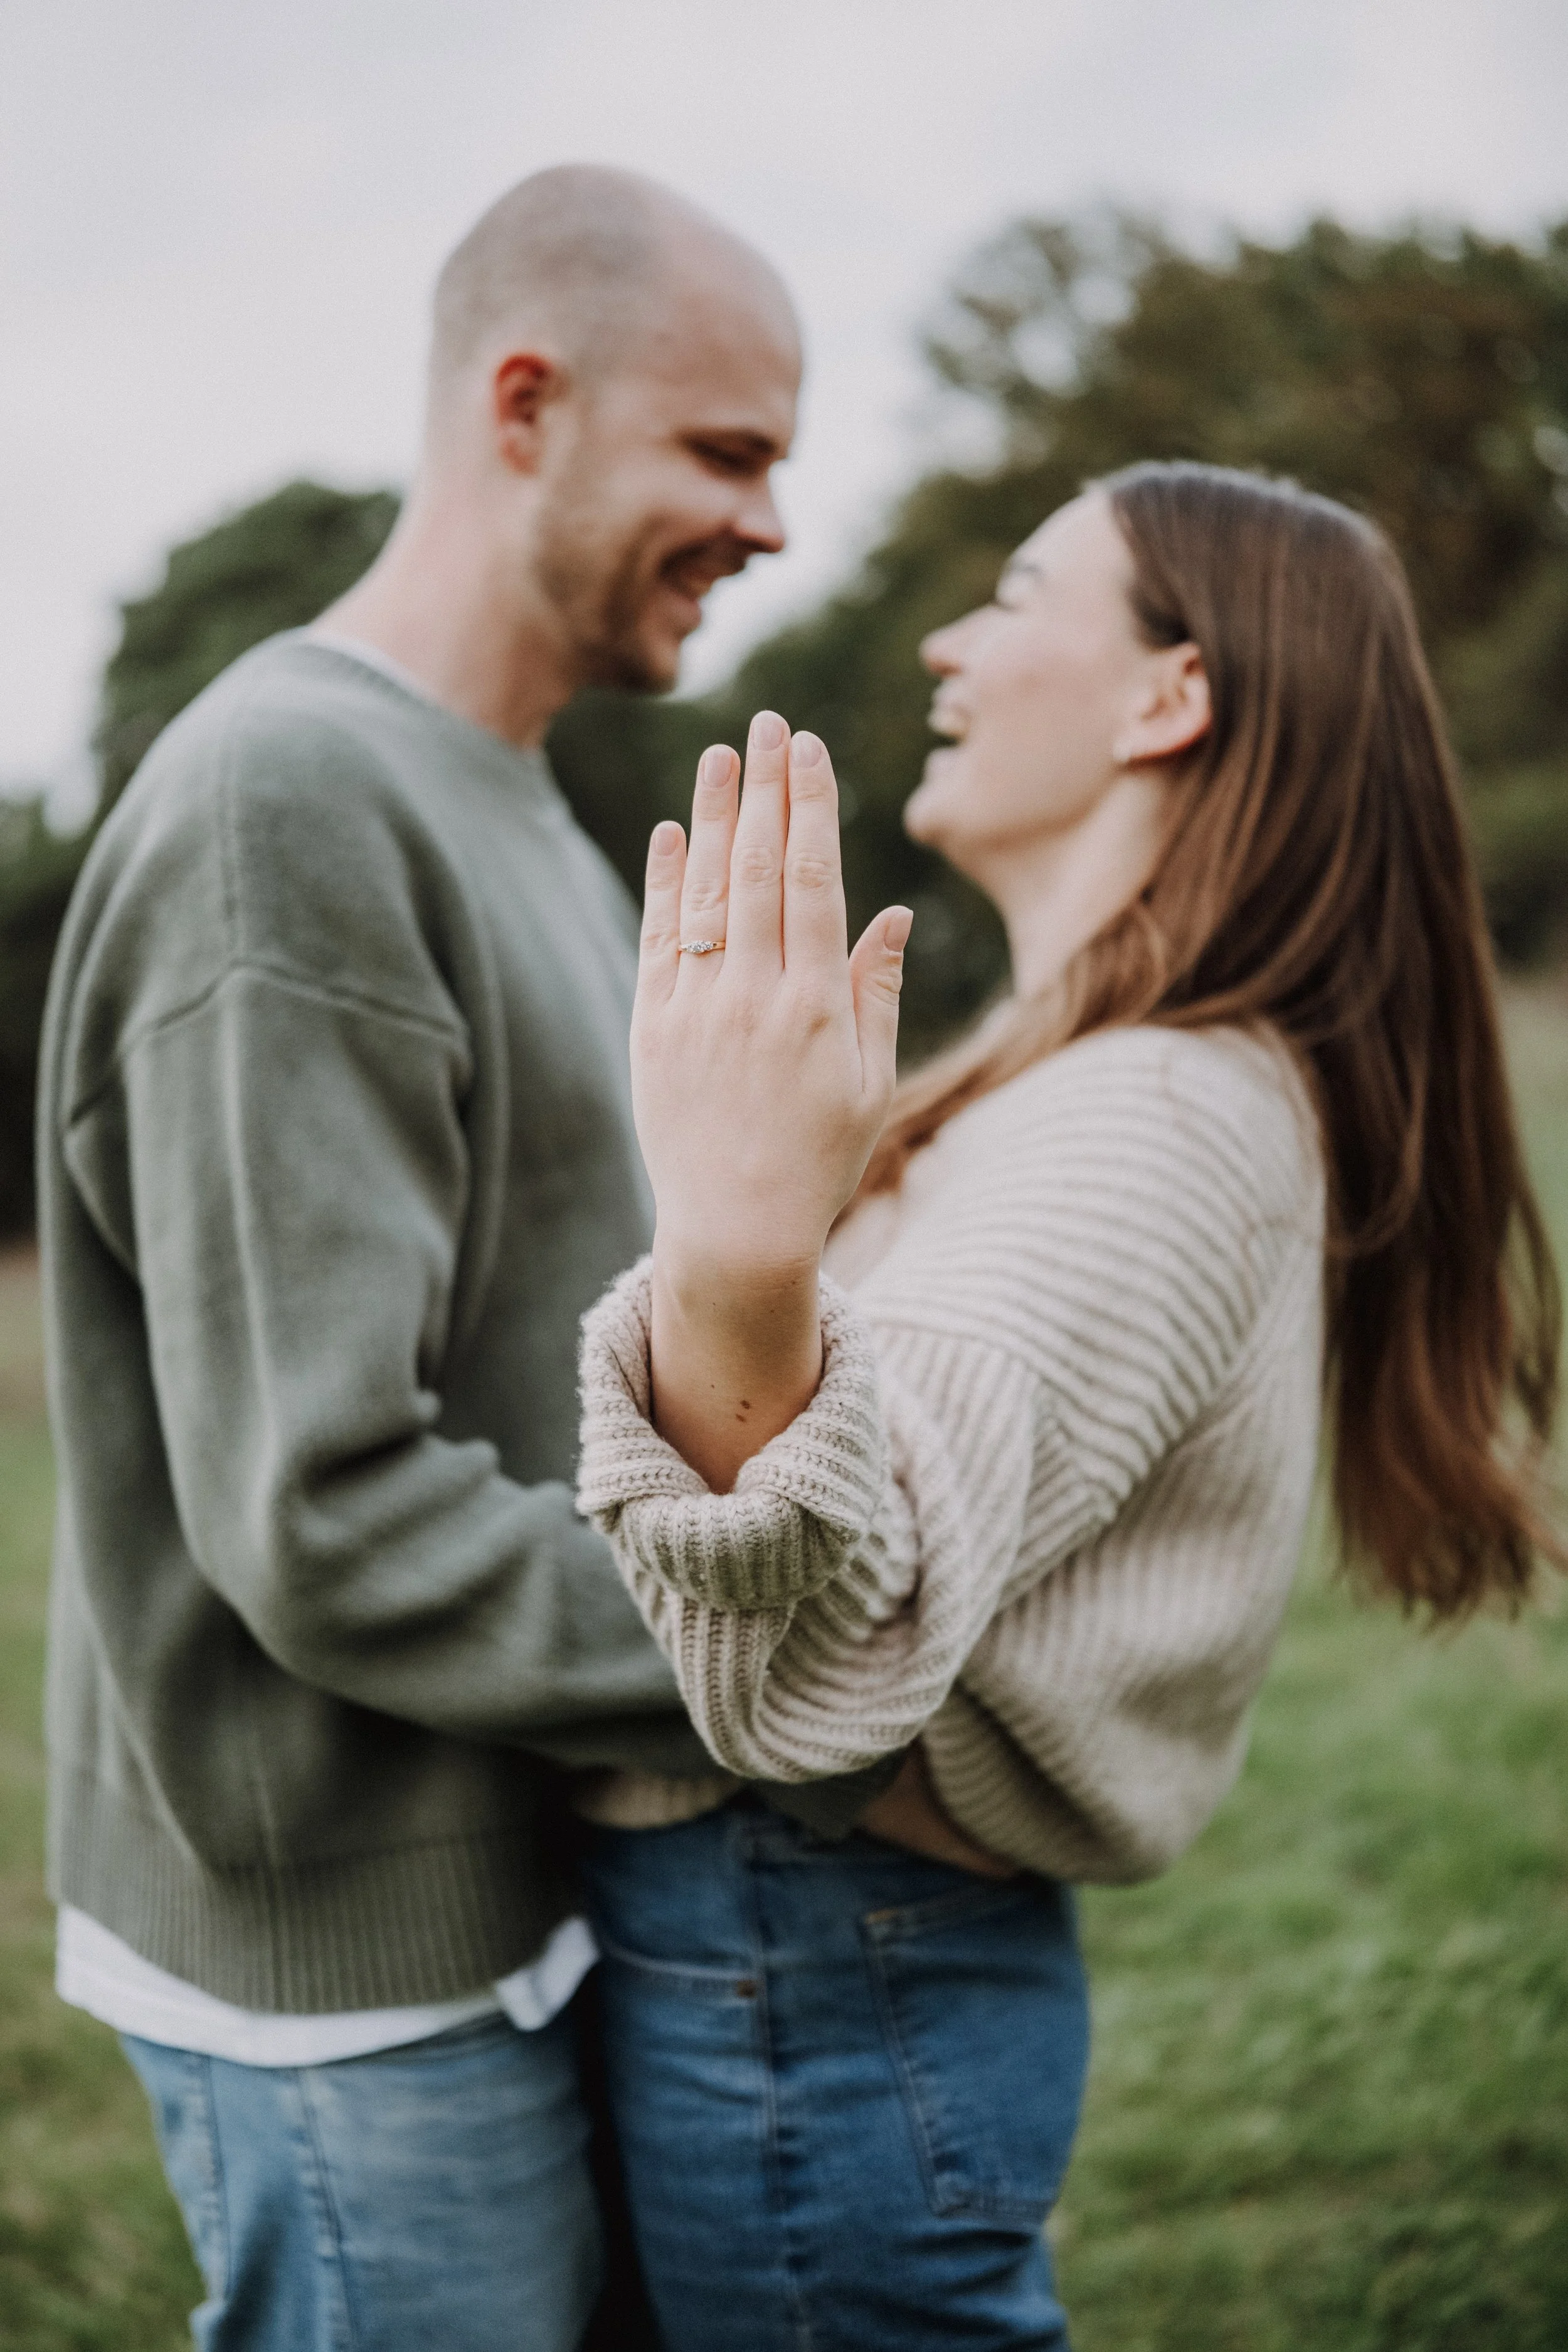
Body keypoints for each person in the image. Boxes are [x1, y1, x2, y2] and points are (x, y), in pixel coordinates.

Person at [572, 461, 1565, 2349]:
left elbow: (821, 1629)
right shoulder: (1094, 1076)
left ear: (1169, 695)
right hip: (819, 1957)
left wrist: (732, 1245)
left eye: (1019, 593)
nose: (947, 643)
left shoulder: (1147, 1115)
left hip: (813, 1953)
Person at [37, 163, 877, 2352]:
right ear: (525, 403)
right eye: (726, 450)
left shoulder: (515, 802)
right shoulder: (286, 801)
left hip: (530, 1882)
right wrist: (808, 1640)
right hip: (356, 1979)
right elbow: (324, 1505)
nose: (770, 522)